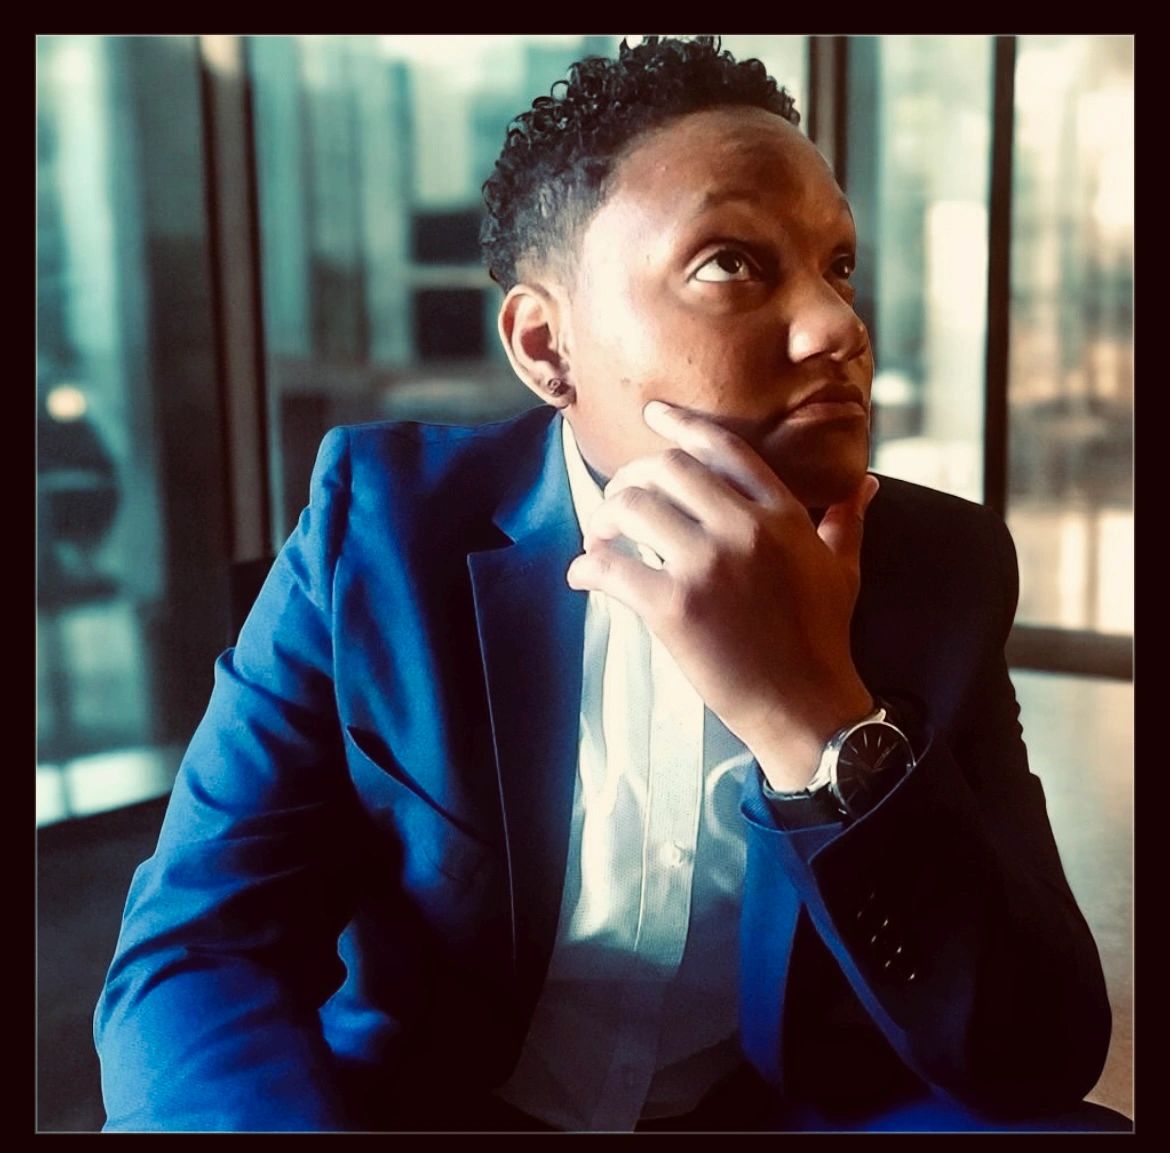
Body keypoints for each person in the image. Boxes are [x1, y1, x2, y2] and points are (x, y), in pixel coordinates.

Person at [93, 36, 1126, 1132]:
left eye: (838, 265)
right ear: (548, 346)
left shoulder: (940, 569)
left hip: (767, 1113)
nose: (840, 326)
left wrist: (818, 721)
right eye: (732, 262)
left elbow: (1037, 1044)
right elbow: (195, 951)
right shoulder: (387, 531)